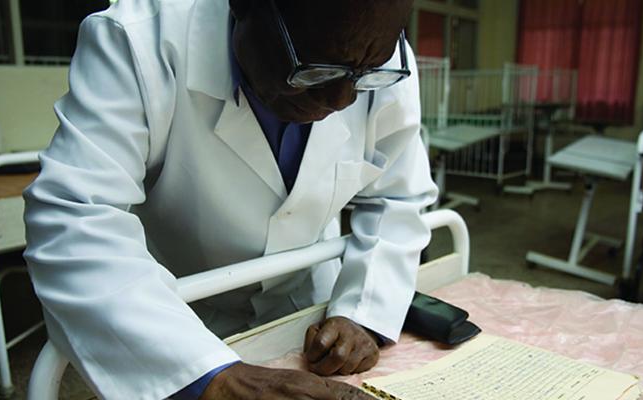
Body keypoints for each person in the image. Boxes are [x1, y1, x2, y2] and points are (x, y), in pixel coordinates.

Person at [23, 0, 438, 398]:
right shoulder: (138, 40)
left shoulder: (377, 60)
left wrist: (364, 310)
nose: (342, 101)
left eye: (364, 76)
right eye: (315, 70)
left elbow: (398, 197)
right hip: (174, 325)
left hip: (312, 313)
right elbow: (75, 215)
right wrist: (210, 379)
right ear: (242, 3)